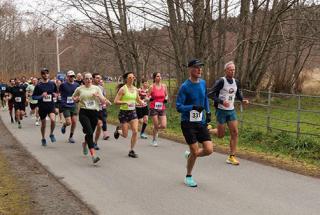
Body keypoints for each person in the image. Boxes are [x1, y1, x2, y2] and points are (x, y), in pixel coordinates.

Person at [176, 59, 213, 187]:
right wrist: (192, 107)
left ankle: (191, 155)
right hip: (188, 123)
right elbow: (178, 106)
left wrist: (208, 113)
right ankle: (188, 176)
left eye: (201, 67)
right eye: (197, 67)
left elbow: (205, 99)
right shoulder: (185, 86)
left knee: (209, 150)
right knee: (195, 150)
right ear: (190, 69)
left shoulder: (203, 83)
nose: (200, 70)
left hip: (200, 122)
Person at [208, 61, 249, 165]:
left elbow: (238, 93)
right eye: (230, 69)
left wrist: (242, 100)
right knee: (220, 135)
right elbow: (210, 94)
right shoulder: (221, 81)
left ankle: (232, 156)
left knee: (235, 133)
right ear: (225, 70)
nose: (232, 71)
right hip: (221, 111)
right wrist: (221, 102)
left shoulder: (236, 82)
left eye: (234, 69)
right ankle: (207, 130)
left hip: (231, 110)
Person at [72, 73, 106, 164]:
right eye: (87, 78)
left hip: (94, 112)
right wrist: (76, 99)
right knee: (90, 132)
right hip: (84, 112)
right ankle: (93, 155)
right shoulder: (79, 89)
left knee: (89, 132)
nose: (89, 80)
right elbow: (73, 97)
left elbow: (103, 101)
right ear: (84, 79)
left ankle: (84, 144)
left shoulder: (97, 88)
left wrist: (98, 96)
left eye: (90, 78)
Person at [113, 72, 145, 158]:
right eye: (130, 77)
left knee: (135, 131)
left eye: (133, 77)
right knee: (125, 135)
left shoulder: (135, 89)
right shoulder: (123, 89)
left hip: (133, 112)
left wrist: (141, 102)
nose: (132, 79)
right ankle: (118, 131)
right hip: (123, 113)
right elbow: (115, 101)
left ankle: (131, 150)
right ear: (126, 79)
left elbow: (137, 99)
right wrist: (125, 102)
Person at [32, 68, 58, 146]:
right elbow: (34, 97)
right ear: (41, 75)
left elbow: (56, 92)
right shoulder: (38, 85)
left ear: (48, 74)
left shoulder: (52, 83)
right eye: (43, 73)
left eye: (47, 73)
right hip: (42, 107)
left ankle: (51, 134)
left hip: (51, 106)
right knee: (43, 125)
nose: (45, 75)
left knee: (53, 120)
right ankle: (43, 138)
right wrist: (41, 96)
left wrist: (55, 94)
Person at [92, 73, 111, 150]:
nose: (99, 79)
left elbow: (103, 97)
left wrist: (107, 101)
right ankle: (87, 141)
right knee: (90, 129)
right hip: (90, 110)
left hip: (99, 109)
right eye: (97, 78)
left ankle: (95, 143)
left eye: (99, 78)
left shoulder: (101, 88)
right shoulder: (88, 87)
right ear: (93, 79)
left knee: (100, 125)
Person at [148, 72, 168, 146]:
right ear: (154, 78)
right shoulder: (151, 87)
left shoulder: (164, 86)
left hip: (162, 107)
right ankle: (154, 140)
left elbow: (167, 95)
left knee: (163, 125)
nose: (159, 77)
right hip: (154, 108)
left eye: (160, 76)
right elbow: (147, 96)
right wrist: (150, 98)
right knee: (156, 125)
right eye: (157, 76)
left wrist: (166, 98)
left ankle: (155, 129)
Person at [60, 70, 80, 143]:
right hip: (65, 105)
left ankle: (71, 137)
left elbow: (79, 94)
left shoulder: (77, 85)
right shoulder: (63, 85)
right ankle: (64, 125)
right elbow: (60, 93)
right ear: (67, 77)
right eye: (70, 76)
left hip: (73, 105)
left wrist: (78, 99)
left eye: (73, 76)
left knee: (74, 121)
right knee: (69, 122)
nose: (72, 77)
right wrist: (62, 101)